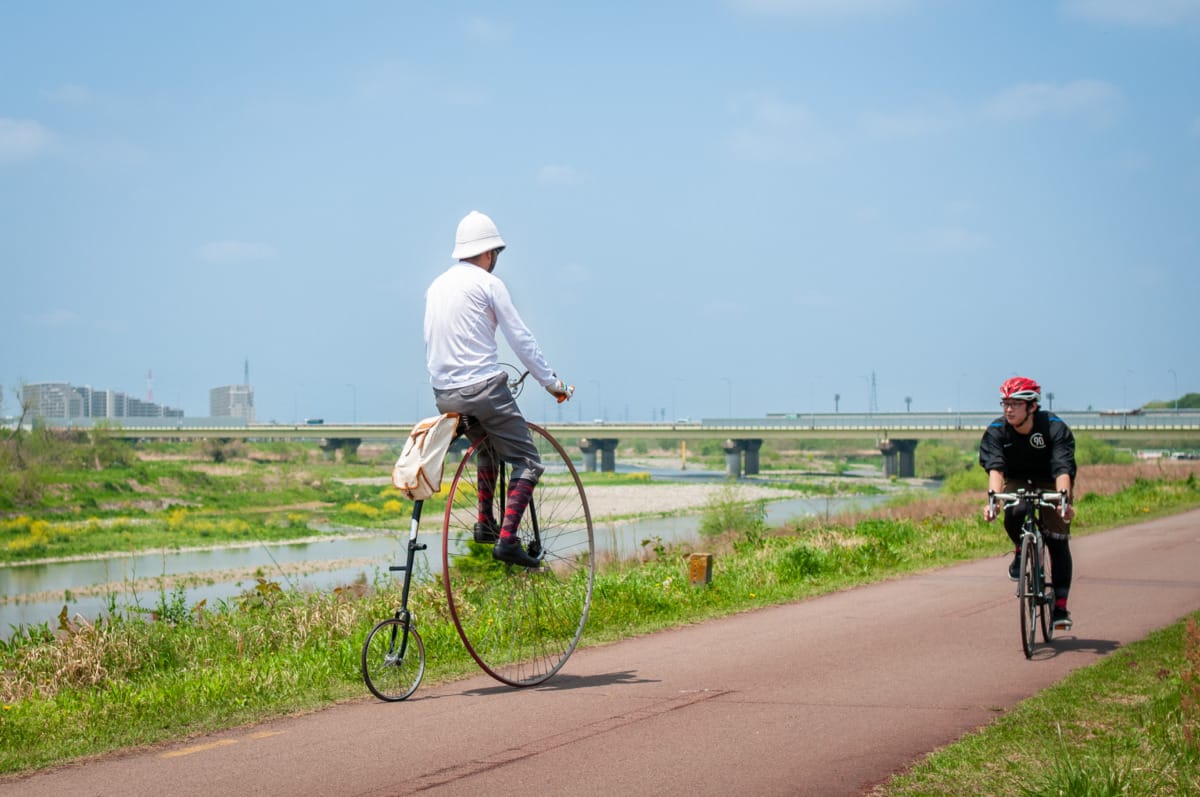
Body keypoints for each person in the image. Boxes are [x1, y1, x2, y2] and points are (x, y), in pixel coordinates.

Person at [424, 210, 572, 568]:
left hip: (444, 394)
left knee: (487, 447)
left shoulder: (436, 285)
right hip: (484, 389)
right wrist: (553, 384)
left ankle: (485, 522)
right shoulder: (490, 284)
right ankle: (507, 541)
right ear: (490, 254)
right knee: (527, 460)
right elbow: (521, 339)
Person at [979, 376, 1077, 629]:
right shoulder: (997, 430)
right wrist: (993, 502)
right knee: (1015, 509)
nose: (1008, 409)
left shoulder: (1053, 427)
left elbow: (1062, 467)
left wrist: (1063, 501)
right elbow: (996, 468)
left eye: (1016, 404)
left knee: (1057, 541)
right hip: (1018, 479)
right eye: (1005, 403)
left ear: (1032, 406)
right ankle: (1020, 549)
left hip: (1050, 481)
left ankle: (1060, 607)